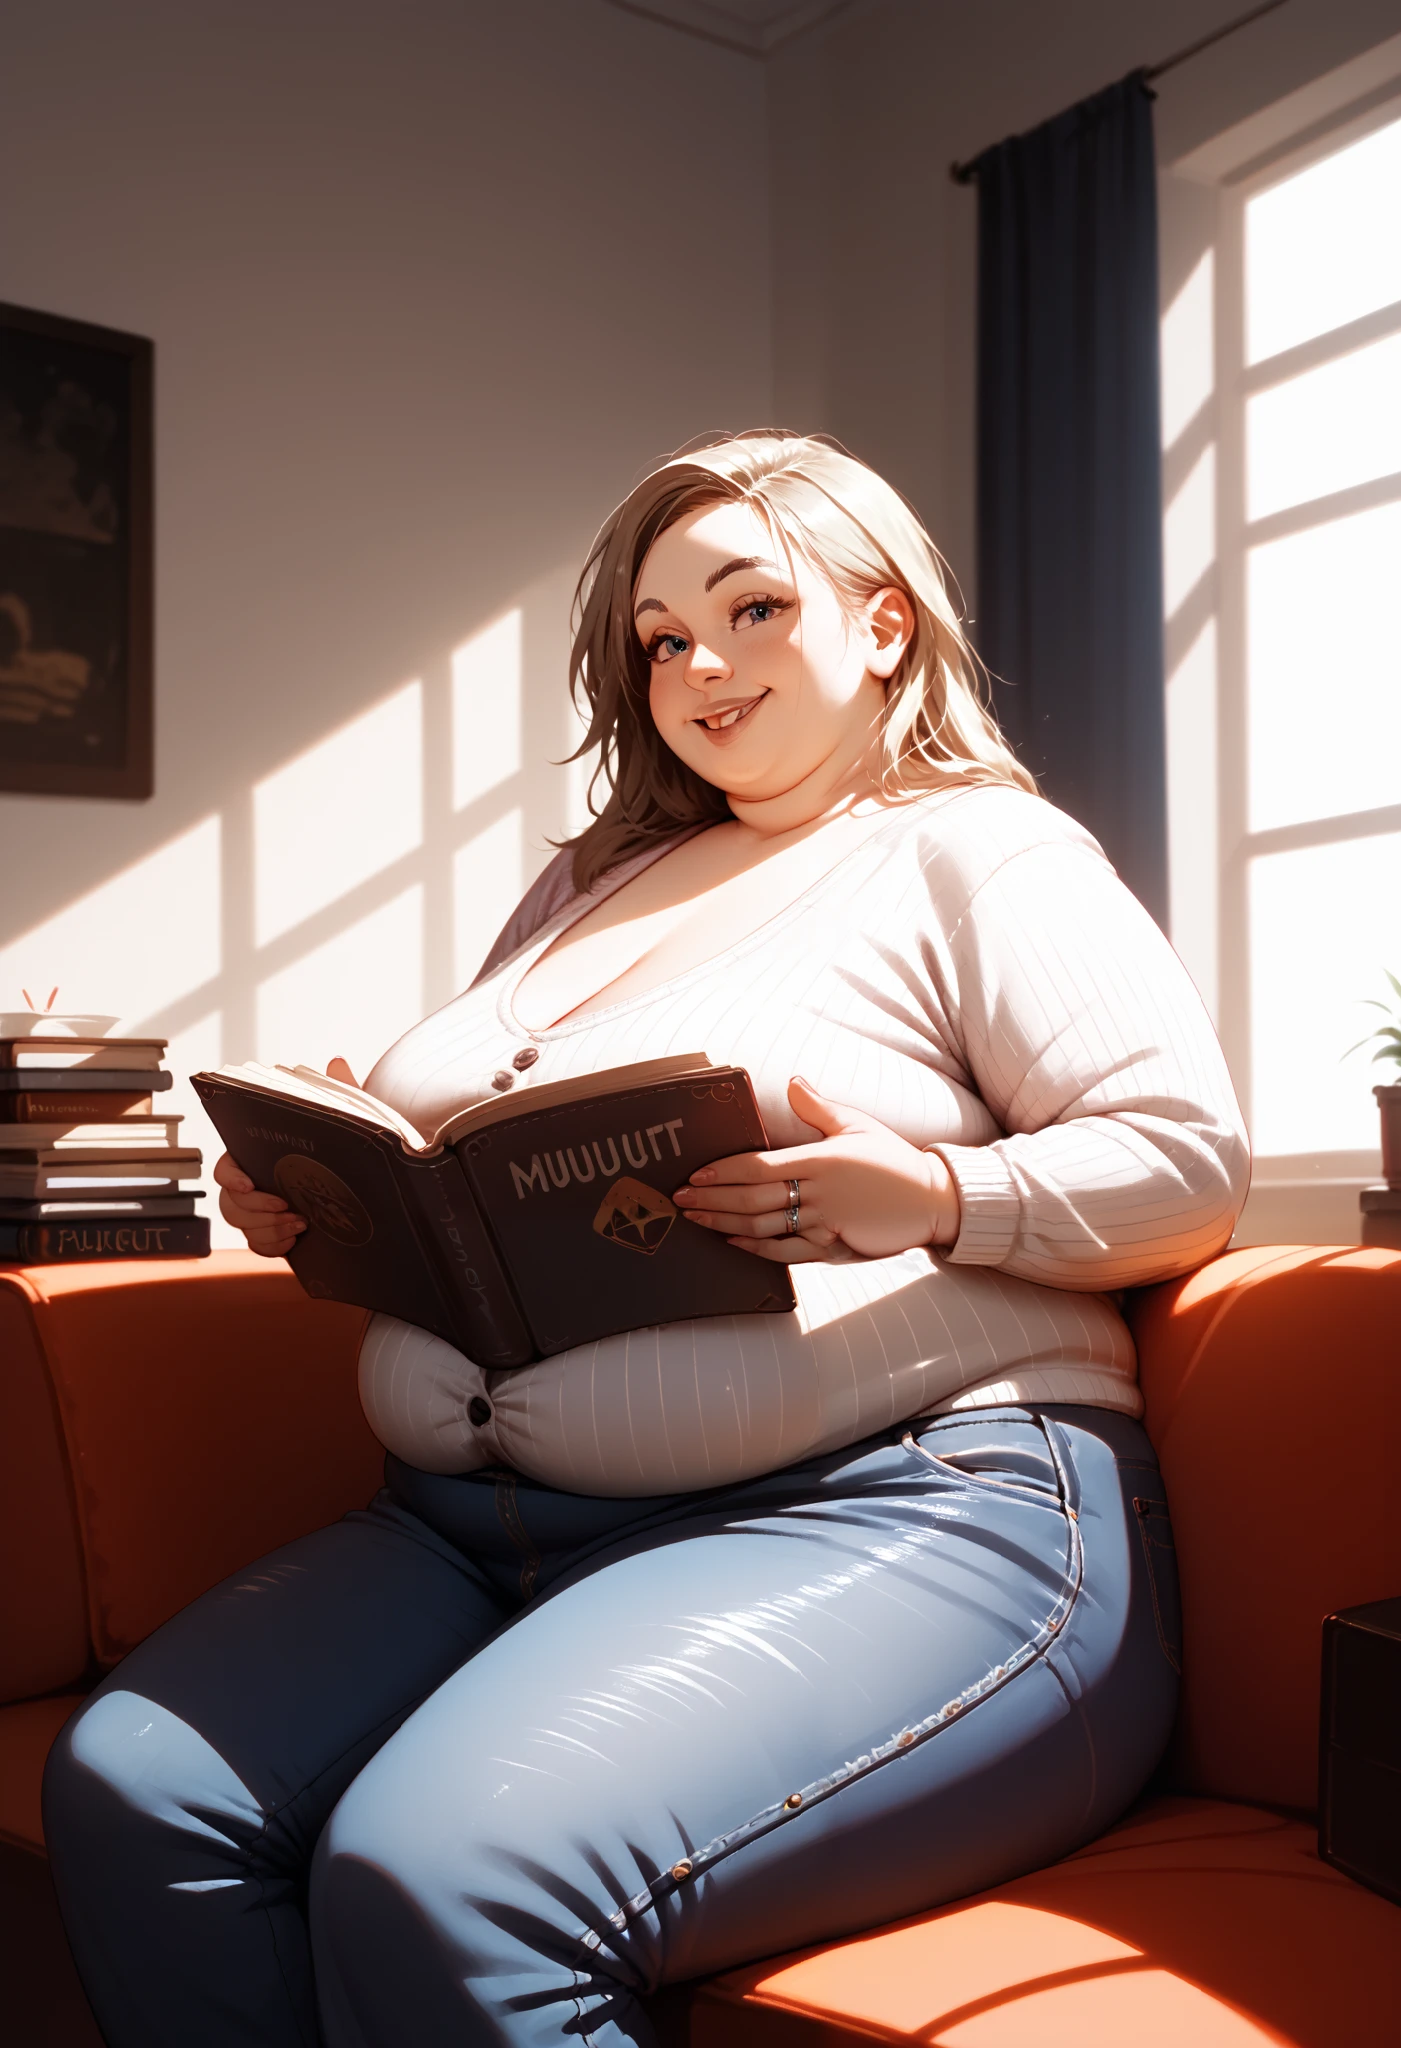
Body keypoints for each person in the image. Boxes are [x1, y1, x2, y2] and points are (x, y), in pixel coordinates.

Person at [43, 431, 1248, 2048]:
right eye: (664, 637)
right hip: (471, 1530)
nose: (702, 664)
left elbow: (1186, 1157)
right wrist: (329, 1210)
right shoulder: (583, 888)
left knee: (448, 1875)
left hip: (901, 1509)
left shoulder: (976, 851)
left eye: (753, 609)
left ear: (882, 622)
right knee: (140, 1792)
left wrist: (934, 1196)